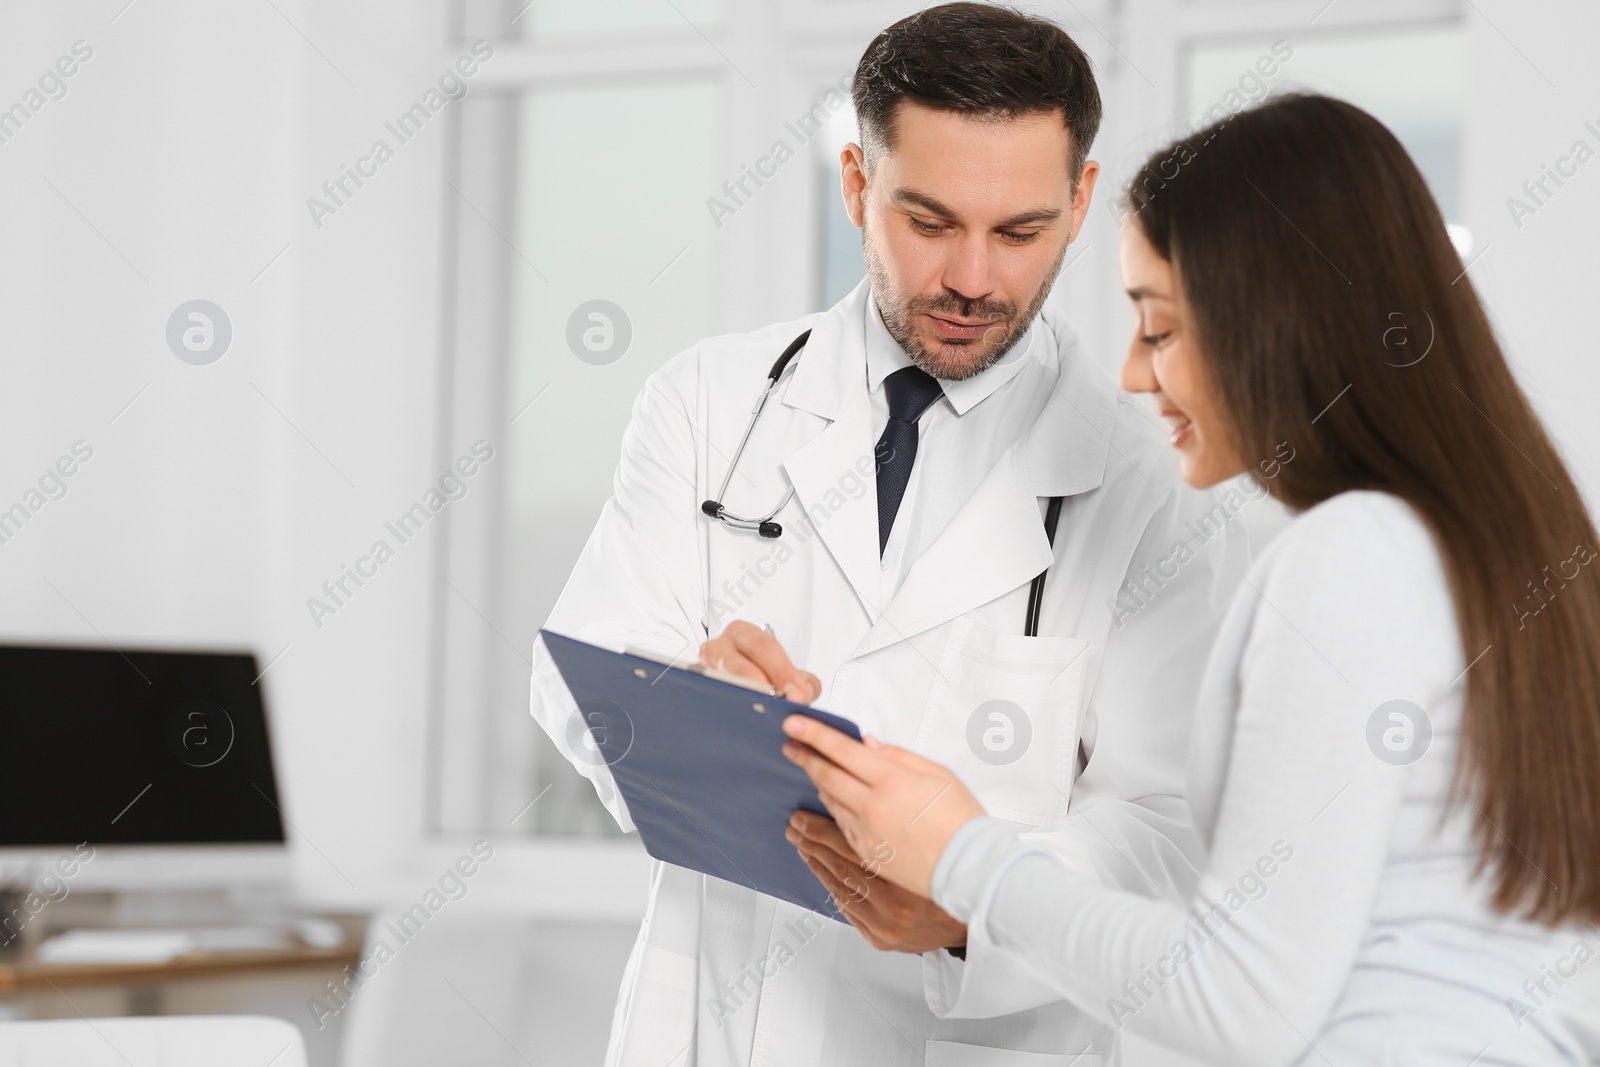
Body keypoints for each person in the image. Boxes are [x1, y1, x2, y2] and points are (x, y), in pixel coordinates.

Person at [784, 92, 1600, 1064]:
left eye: (1159, 328)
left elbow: (1239, 999)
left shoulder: (1354, 555)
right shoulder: (1489, 547)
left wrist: (960, 851)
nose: (1133, 373)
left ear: (1275, 321)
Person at [529, 4, 1251, 1063]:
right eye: (929, 221)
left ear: (1081, 198)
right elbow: (579, 677)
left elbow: (1161, 827)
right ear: (857, 183)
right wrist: (685, 691)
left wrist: (971, 904)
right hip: (720, 1017)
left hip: (977, 1027)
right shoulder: (708, 400)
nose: (972, 278)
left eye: (1019, 231)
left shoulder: (1155, 480)